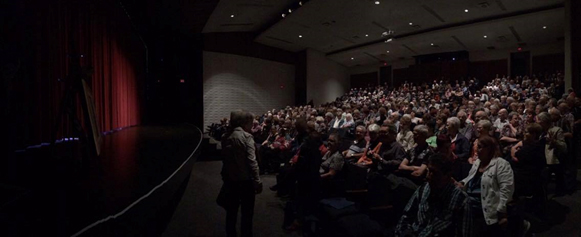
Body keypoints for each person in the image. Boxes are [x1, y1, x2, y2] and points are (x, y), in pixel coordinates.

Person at [395, 153, 473, 237]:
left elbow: (464, 233)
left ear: (448, 176)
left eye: (435, 173)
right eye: (429, 171)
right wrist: (404, 232)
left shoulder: (461, 200)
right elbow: (406, 215)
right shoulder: (424, 189)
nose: (429, 176)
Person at [457, 136, 514, 236]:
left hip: (485, 207)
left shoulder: (501, 164)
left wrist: (501, 211)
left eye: (479, 147)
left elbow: (506, 190)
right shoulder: (478, 163)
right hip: (469, 203)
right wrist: (462, 183)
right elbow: (470, 178)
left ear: (489, 149)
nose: (476, 150)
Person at [220, 110, 263, 237]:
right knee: (247, 213)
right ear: (245, 123)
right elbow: (252, 162)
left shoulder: (225, 137)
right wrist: (257, 181)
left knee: (231, 212)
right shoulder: (246, 137)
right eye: (250, 123)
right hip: (245, 182)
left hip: (230, 180)